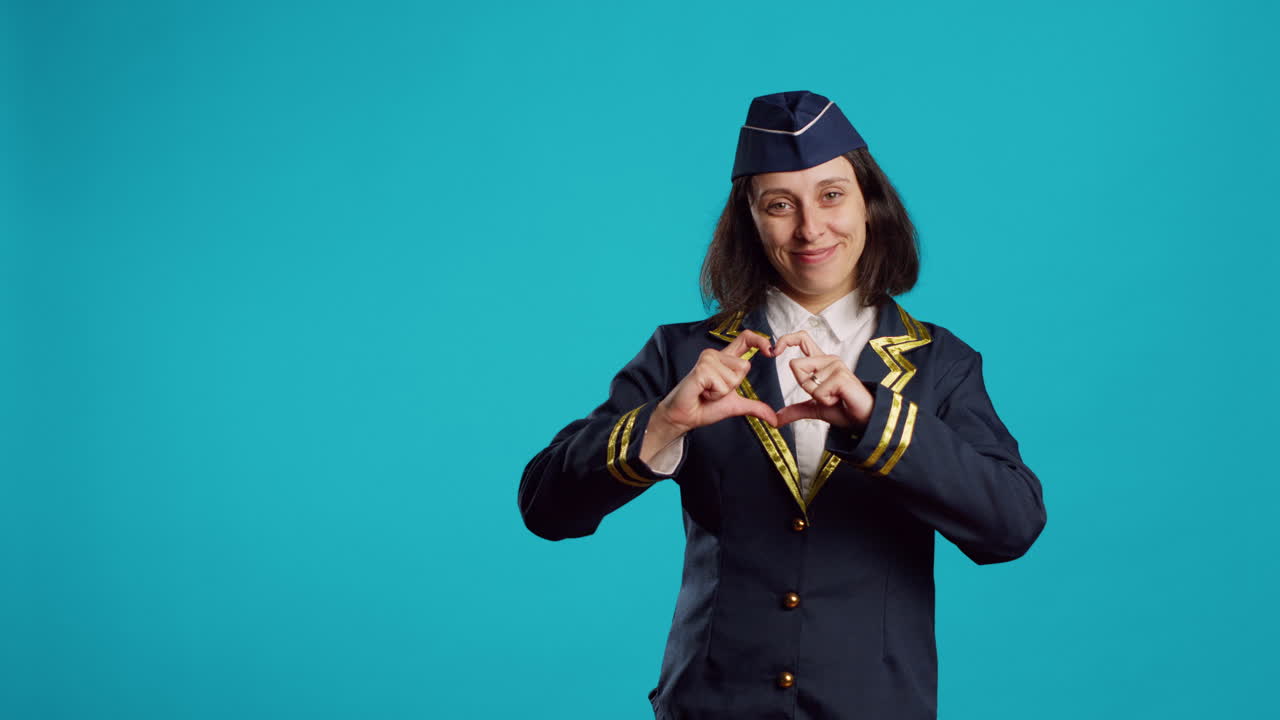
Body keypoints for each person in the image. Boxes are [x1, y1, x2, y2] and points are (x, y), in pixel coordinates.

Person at [518, 90, 1047, 720]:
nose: (810, 228)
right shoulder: (679, 354)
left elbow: (1012, 525)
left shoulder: (942, 362)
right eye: (779, 205)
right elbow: (545, 507)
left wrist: (875, 421)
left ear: (869, 205)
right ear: (749, 219)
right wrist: (664, 423)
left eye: (831, 195)